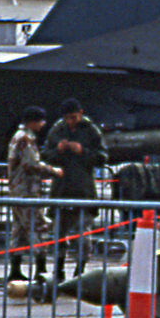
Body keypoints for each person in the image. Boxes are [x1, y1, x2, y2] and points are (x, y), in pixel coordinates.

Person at [40, 97, 108, 280]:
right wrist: (58, 151)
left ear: (80, 113)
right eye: (67, 118)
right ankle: (59, 269)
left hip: (83, 189)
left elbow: (102, 157)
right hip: (61, 189)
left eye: (73, 117)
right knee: (59, 234)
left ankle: (80, 270)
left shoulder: (91, 130)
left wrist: (83, 152)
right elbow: (45, 155)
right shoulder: (57, 130)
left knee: (83, 234)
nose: (70, 121)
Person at [5, 106, 59, 291]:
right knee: (38, 226)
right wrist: (53, 170)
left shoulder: (17, 136)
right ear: (33, 121)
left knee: (19, 229)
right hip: (27, 191)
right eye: (41, 121)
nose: (43, 125)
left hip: (17, 190)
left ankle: (15, 269)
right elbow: (31, 164)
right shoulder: (26, 139)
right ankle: (40, 270)